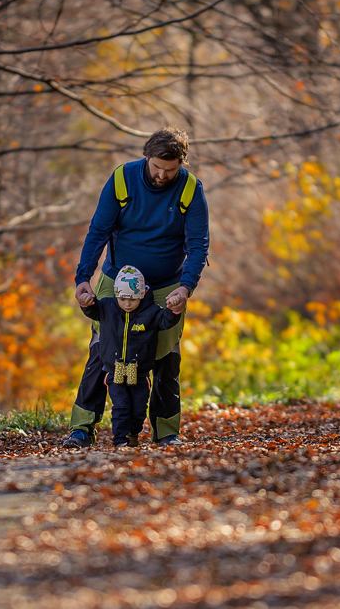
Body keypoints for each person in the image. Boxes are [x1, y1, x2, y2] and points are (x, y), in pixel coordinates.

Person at [63, 127, 209, 448]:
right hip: (115, 284)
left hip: (164, 288)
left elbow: (198, 246)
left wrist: (185, 288)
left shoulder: (190, 190)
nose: (161, 175)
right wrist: (83, 278)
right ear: (147, 157)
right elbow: (98, 231)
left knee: (165, 359)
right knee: (101, 353)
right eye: (157, 167)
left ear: (181, 164)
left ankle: (166, 431)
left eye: (170, 170)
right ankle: (82, 428)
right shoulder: (122, 180)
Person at [78, 265, 183, 447]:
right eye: (123, 298)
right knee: (121, 407)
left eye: (133, 299)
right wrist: (86, 303)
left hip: (140, 373)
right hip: (115, 371)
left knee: (139, 408)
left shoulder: (150, 312)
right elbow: (93, 311)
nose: (127, 303)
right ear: (117, 295)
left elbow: (165, 321)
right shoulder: (108, 308)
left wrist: (174, 310)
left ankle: (133, 433)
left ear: (141, 295)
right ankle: (120, 440)